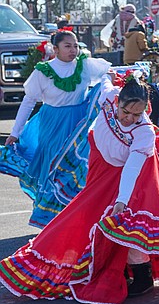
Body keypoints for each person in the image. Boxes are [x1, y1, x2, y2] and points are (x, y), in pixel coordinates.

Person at [0, 76, 159, 304]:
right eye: (126, 111)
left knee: (130, 222)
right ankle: (111, 268)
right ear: (118, 101)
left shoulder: (143, 133)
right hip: (100, 173)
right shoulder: (109, 96)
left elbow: (132, 168)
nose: (130, 118)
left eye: (137, 114)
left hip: (133, 179)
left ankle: (142, 275)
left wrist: (122, 200)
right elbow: (100, 75)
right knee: (84, 220)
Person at [0, 30, 112, 227]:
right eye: (67, 46)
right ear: (55, 48)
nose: (73, 50)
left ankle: (71, 215)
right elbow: (28, 102)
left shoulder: (85, 65)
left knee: (74, 168)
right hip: (51, 125)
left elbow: (107, 77)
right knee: (51, 167)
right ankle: (50, 216)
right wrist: (15, 132)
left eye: (75, 45)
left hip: (78, 124)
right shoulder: (43, 72)